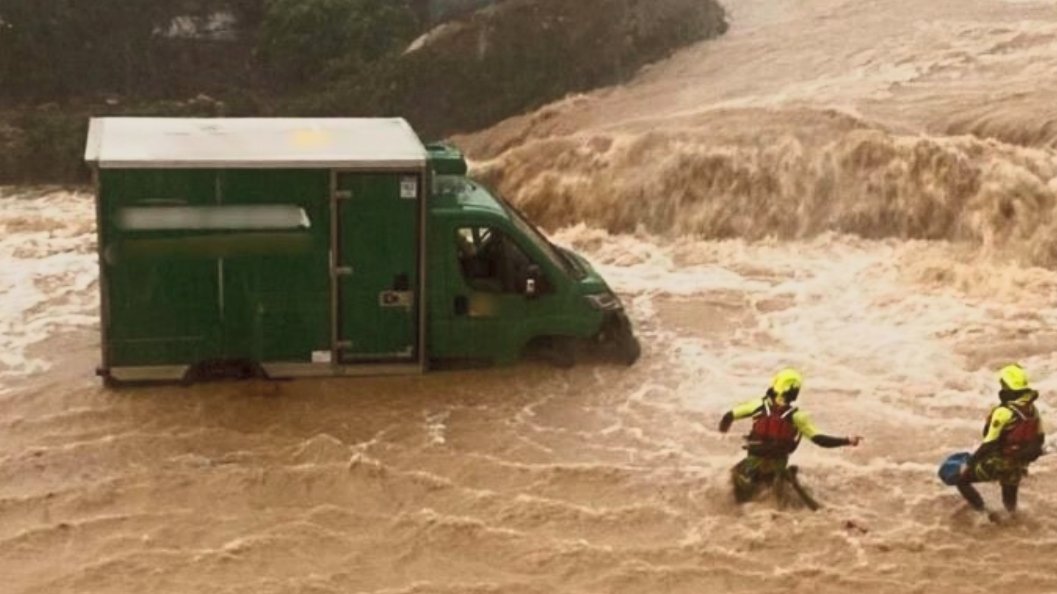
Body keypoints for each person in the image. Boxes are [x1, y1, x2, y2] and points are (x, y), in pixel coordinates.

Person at [718, 368, 863, 503]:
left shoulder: (757, 405)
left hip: (753, 464)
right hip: (778, 466)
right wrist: (848, 440)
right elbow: (820, 440)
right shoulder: (798, 417)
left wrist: (722, 433)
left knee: (739, 490)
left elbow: (728, 416)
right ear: (794, 392)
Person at [956, 364, 1046, 518]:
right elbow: (1040, 438)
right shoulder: (1032, 409)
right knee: (1010, 504)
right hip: (1018, 463)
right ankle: (1013, 526)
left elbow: (989, 444)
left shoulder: (1003, 412)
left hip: (1001, 461)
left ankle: (984, 514)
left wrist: (969, 464)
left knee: (961, 480)